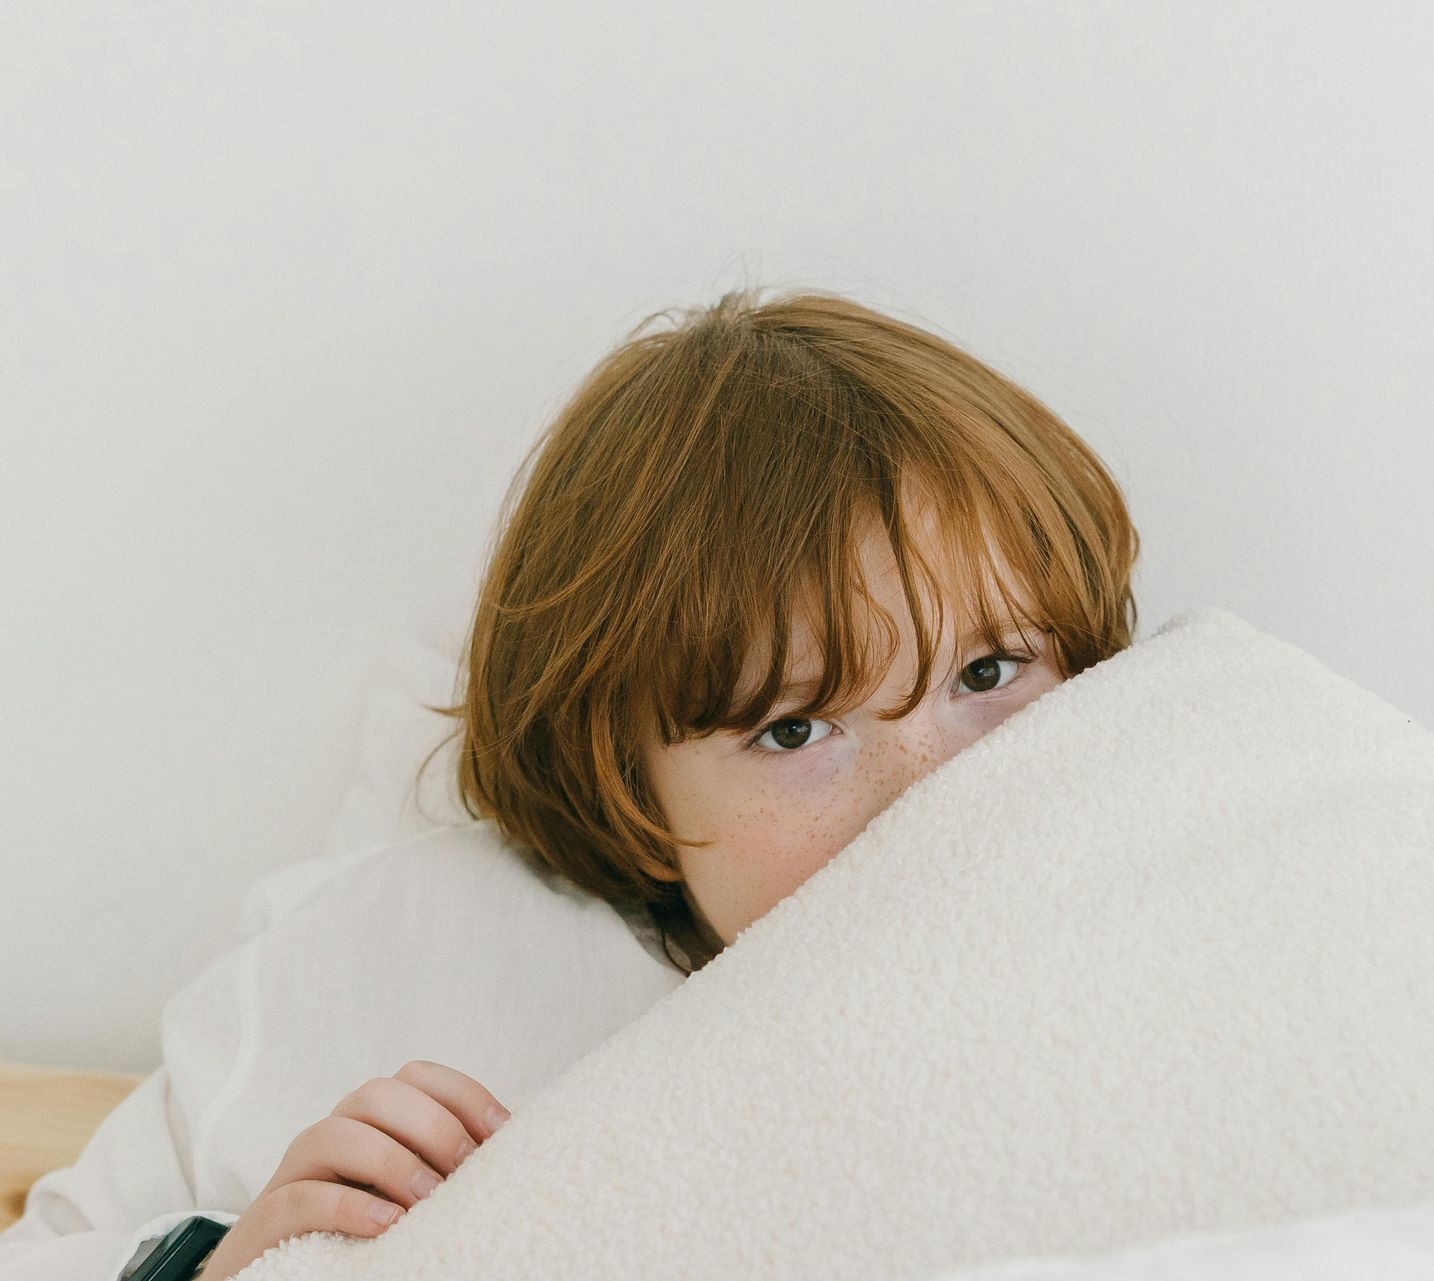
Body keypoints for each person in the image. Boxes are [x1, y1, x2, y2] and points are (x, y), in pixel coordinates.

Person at [0, 285, 1141, 1280]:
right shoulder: (378, 962)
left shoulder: (1170, 858)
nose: (926, 787)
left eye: (988, 671)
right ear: (628, 791)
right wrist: (225, 1263)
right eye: (795, 732)